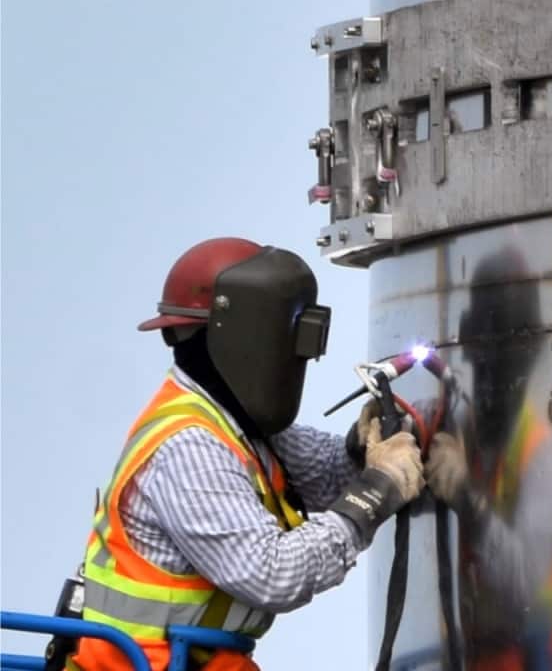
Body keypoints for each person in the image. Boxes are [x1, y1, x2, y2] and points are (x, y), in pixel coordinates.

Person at [63, 237, 423, 671]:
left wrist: (365, 449)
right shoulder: (190, 448)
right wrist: (374, 493)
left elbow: (325, 475)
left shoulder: (234, 422)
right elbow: (272, 574)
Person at [423, 247, 552, 670]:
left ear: (532, 350)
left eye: (506, 349)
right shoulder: (461, 432)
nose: (493, 370)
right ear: (466, 342)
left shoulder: (541, 452)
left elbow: (528, 583)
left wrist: (468, 500)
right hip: (468, 655)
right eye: (487, 349)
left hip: (534, 658)